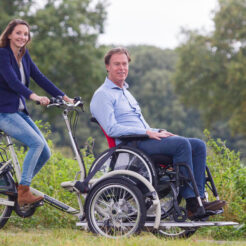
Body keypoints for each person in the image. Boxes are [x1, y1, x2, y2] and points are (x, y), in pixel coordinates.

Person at [90, 47, 226, 219]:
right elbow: (112, 128)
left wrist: (158, 131)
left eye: (124, 64)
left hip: (144, 138)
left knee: (198, 145)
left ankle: (199, 199)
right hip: (132, 146)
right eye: (117, 64)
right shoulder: (102, 95)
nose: (122, 68)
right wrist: (147, 133)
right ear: (107, 66)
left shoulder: (126, 93)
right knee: (182, 144)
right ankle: (192, 202)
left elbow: (141, 123)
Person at [0, 19, 73, 206]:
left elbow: (39, 77)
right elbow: (13, 82)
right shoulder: (2, 54)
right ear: (9, 34)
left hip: (19, 111)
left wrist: (64, 97)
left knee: (45, 152)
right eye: (18, 33)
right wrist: (34, 97)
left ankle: (20, 188)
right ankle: (24, 191)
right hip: (4, 112)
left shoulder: (24, 55)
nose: (22, 37)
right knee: (35, 143)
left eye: (25, 34)